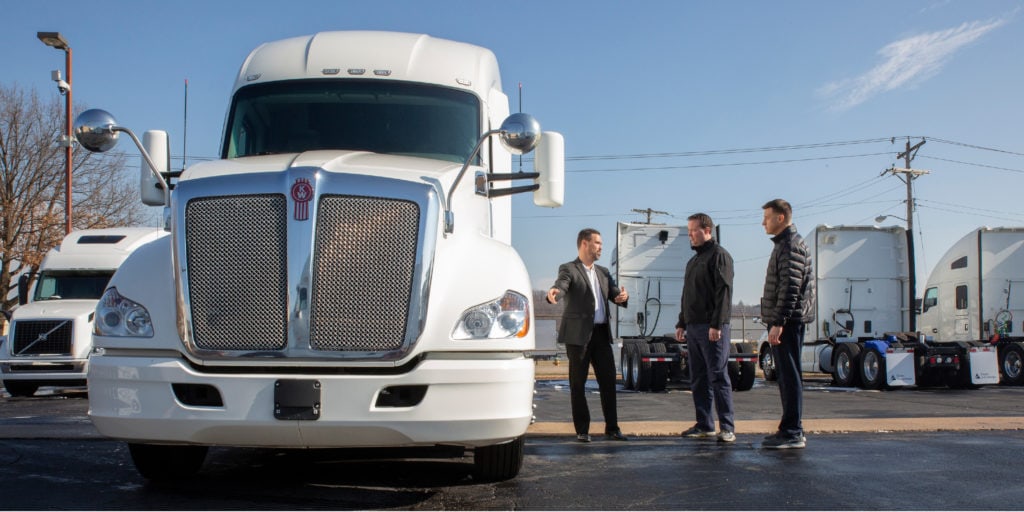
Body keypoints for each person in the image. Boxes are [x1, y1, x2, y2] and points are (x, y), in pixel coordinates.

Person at [547, 228, 630, 442]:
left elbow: (613, 292)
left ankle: (612, 428)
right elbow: (562, 285)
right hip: (578, 337)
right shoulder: (569, 268)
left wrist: (621, 296)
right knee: (578, 384)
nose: (601, 247)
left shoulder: (603, 272)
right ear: (585, 244)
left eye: (601, 243)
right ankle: (582, 430)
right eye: (598, 243)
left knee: (609, 382)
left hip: (601, 335)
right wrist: (554, 293)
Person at [675, 213, 737, 444]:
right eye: (689, 231)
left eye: (694, 230)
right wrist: (682, 322)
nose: (690, 235)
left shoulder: (720, 256)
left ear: (707, 230)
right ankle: (705, 424)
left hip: (713, 329)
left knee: (718, 377)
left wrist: (717, 324)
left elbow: (724, 292)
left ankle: (727, 427)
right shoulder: (692, 262)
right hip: (693, 328)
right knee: (698, 378)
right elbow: (687, 296)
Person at [759, 199, 815, 449]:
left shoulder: (791, 246)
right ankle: (788, 427)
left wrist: (778, 322)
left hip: (789, 322)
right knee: (786, 375)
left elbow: (790, 288)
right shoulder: (785, 244)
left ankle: (793, 431)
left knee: (790, 376)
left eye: (767, 217)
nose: (763, 222)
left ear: (781, 218)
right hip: (787, 320)